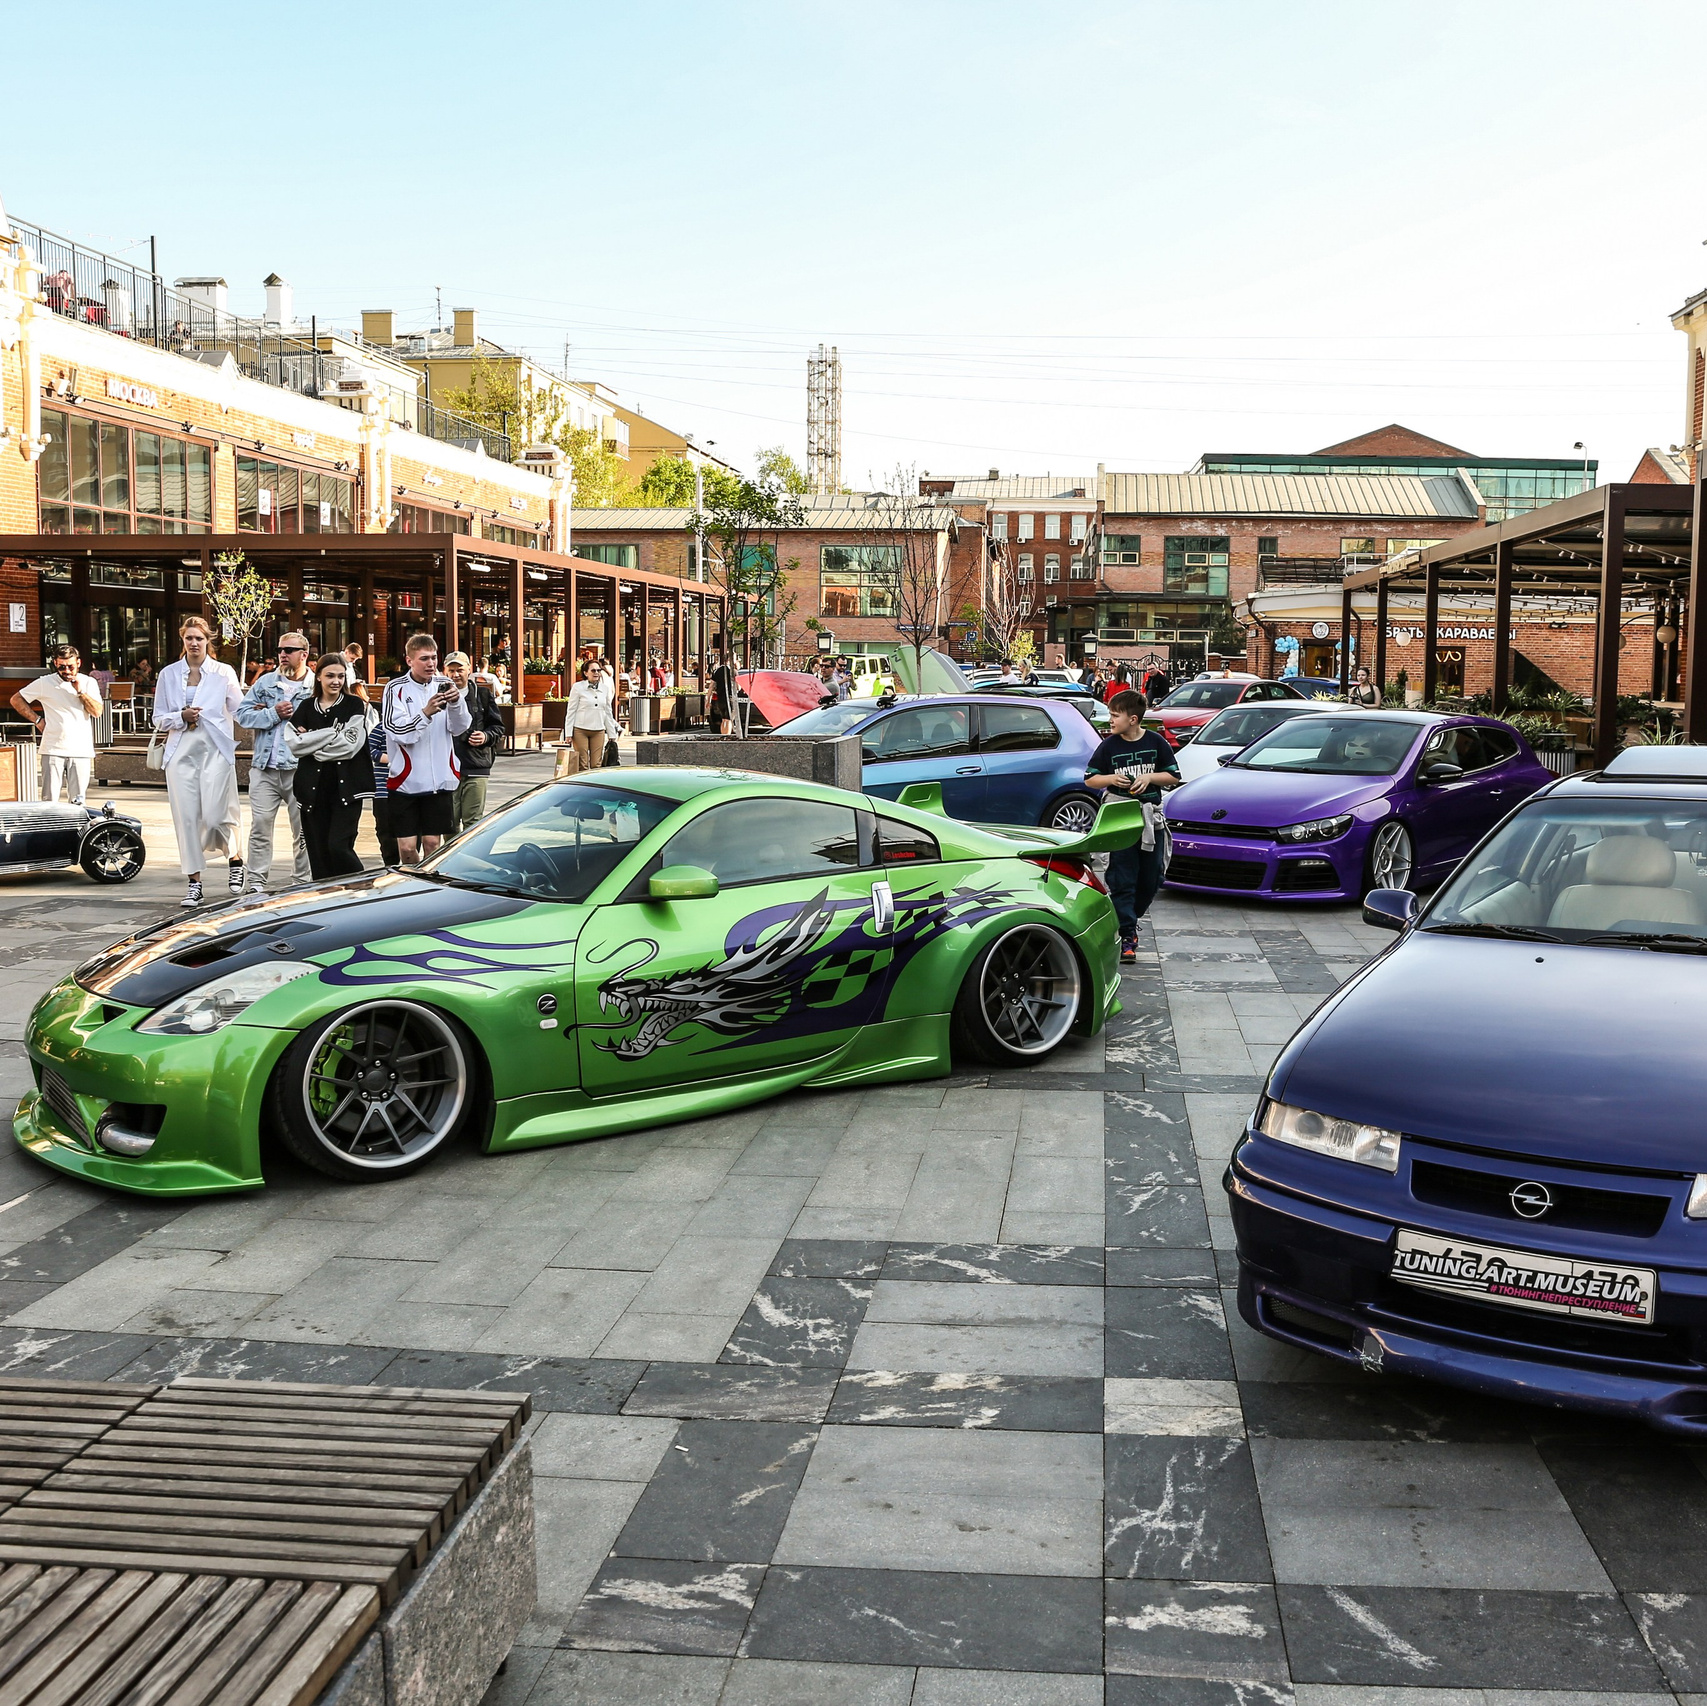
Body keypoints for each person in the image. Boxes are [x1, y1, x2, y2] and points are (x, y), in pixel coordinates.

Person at [153, 616, 245, 907]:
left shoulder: (223, 672)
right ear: (183, 640)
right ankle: (194, 882)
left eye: (199, 638)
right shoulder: (169, 674)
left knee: (219, 814)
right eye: (189, 638)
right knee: (187, 818)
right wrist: (180, 717)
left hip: (215, 750)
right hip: (181, 752)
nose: (194, 643)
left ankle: (235, 859)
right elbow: (158, 717)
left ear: (208, 641)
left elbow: (240, 709)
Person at [1085, 689, 1181, 965]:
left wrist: (1150, 777)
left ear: (1134, 719)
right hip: (1120, 820)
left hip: (1151, 820)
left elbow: (1173, 776)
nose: (1111, 720)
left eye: (1115, 715)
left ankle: (1126, 917)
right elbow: (1090, 779)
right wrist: (1111, 778)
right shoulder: (1109, 746)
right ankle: (1127, 934)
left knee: (1153, 878)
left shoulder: (1156, 743)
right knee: (1122, 879)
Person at [381, 633, 471, 865]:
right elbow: (396, 731)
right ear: (409, 660)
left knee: (433, 844)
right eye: (424, 658)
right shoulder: (395, 688)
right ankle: (410, 883)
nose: (430, 663)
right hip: (405, 781)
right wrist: (425, 713)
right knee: (408, 847)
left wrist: (456, 704)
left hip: (438, 780)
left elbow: (460, 728)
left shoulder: (445, 684)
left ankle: (429, 886)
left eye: (433, 658)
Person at [236, 632, 314, 894]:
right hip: (264, 768)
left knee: (302, 830)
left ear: (304, 654)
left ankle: (302, 882)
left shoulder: (314, 686)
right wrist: (271, 713)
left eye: (289, 649)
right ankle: (255, 883)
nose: (283, 654)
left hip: (299, 769)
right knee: (259, 826)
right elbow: (242, 715)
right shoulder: (266, 682)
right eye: (280, 649)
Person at [290, 655, 371, 878]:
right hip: (312, 791)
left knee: (339, 846)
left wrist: (313, 741)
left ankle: (361, 888)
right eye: (330, 676)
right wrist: (332, 734)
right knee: (319, 854)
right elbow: (294, 743)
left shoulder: (354, 704)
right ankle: (325, 902)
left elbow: (350, 745)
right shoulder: (306, 706)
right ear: (318, 677)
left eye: (340, 676)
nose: (336, 681)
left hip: (346, 789)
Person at [11, 645, 102, 805]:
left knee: (78, 802)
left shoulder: (89, 682)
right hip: (53, 749)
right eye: (61, 667)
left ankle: (75, 830)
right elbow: (16, 699)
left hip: (80, 750)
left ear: (78, 663)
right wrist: (38, 720)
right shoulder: (44, 682)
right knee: (49, 802)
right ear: (55, 663)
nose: (66, 671)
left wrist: (80, 692)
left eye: (70, 667)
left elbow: (97, 712)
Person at [445, 650, 504, 832]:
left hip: (476, 766)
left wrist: (485, 736)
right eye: (451, 670)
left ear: (469, 670)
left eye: (460, 669)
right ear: (445, 672)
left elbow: (498, 728)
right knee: (449, 824)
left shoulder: (483, 695)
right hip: (446, 769)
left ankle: (466, 859)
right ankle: (449, 860)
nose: (456, 674)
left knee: (472, 823)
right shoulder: (439, 696)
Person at [564, 656, 620, 772]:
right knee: (582, 763)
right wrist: (568, 733)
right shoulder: (578, 687)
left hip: (598, 729)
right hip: (580, 729)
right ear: (585, 673)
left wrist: (612, 734)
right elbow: (571, 710)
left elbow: (608, 712)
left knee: (597, 764)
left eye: (599, 670)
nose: (596, 673)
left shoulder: (604, 689)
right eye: (593, 670)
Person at [710, 652, 738, 736]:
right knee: (729, 720)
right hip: (729, 698)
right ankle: (727, 737)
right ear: (731, 659)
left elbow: (711, 685)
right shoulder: (733, 671)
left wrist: (708, 700)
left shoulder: (718, 670)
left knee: (723, 719)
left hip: (720, 698)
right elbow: (738, 687)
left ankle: (723, 736)